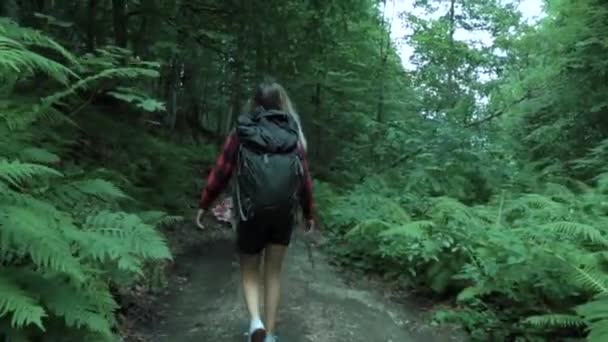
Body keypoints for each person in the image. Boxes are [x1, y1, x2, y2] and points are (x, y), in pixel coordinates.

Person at [196, 80, 315, 342]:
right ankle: (270, 335)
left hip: (249, 212)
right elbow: (303, 179)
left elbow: (222, 171)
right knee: (273, 273)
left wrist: (205, 204)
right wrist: (309, 213)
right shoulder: (294, 134)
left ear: (255, 103)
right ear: (283, 103)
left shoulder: (243, 130)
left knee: (250, 270)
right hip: (283, 213)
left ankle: (255, 322)